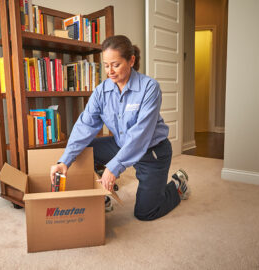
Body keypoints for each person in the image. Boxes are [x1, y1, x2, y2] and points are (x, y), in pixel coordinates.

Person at [50, 35, 190, 221]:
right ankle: (101, 195)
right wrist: (64, 161)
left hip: (152, 152)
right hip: (121, 145)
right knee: (84, 151)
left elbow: (141, 135)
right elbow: (85, 125)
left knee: (146, 213)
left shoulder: (149, 87)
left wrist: (113, 168)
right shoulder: (102, 91)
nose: (110, 71)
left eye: (115, 65)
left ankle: (177, 186)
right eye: (106, 66)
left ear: (131, 60)